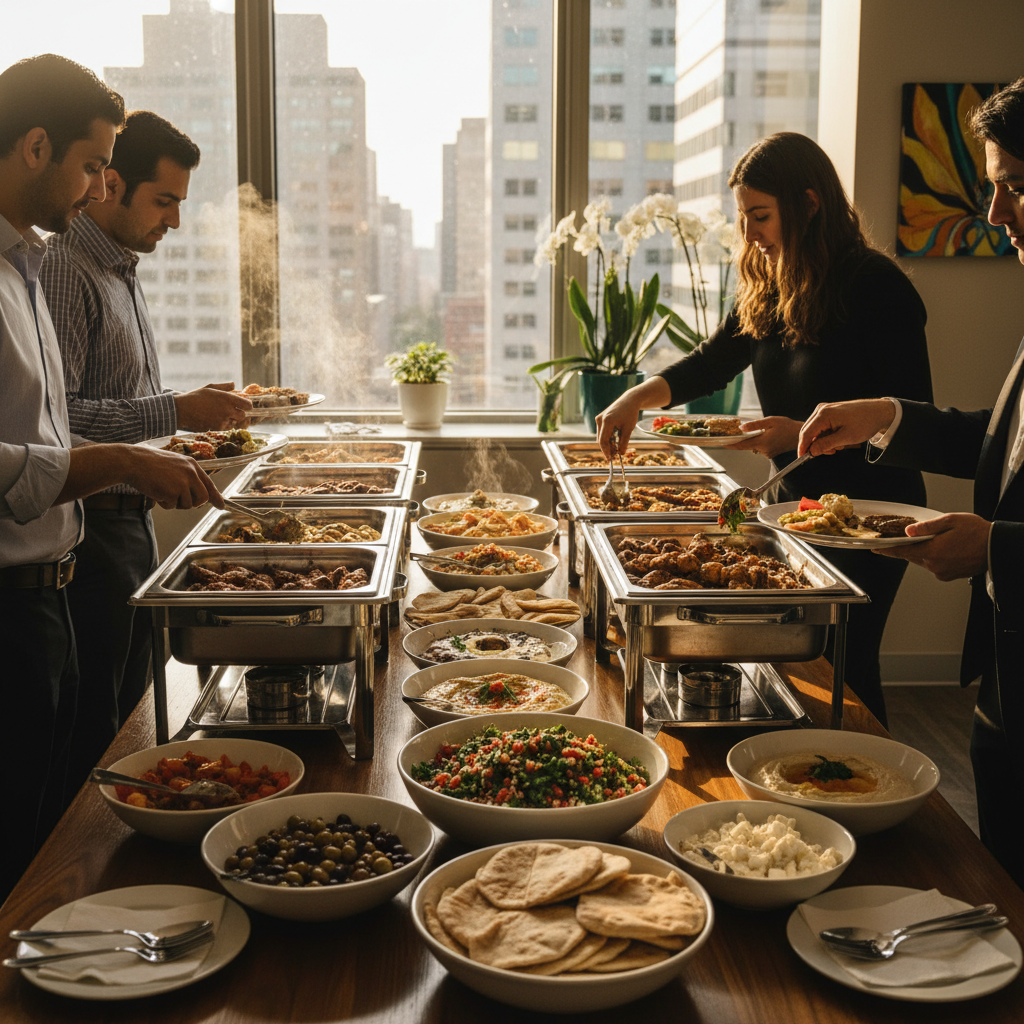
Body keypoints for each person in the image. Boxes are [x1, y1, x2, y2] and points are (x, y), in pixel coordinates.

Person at [595, 132, 934, 726]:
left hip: (868, 519)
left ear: (808, 204)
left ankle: (868, 784)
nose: (749, 234)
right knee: (798, 670)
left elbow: (911, 417)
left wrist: (795, 430)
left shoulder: (877, 287)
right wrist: (636, 398)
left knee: (848, 671)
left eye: (761, 217)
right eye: (743, 217)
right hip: (791, 504)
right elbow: (712, 359)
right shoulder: (772, 279)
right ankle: (789, 772)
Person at [0, 54, 224, 889]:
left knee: (78, 790)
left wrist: (156, 440)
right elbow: (64, 432)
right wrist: (148, 437)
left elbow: (54, 417)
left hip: (56, 579)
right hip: (33, 582)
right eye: (93, 166)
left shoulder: (29, 265)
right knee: (40, 827)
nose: (96, 188)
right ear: (34, 147)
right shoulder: (56, 265)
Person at [797, 81, 1024, 888]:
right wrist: (888, 416)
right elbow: (997, 444)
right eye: (992, 186)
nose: (996, 214)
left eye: (1016, 187)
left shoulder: (872, 282)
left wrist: (997, 546)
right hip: (1004, 674)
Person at [39, 110, 252, 789]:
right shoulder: (67, 269)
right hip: (92, 525)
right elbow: (61, 417)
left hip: (128, 519)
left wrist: (183, 419)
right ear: (109, 184)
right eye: (164, 201)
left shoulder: (120, 269)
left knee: (131, 709)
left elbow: (114, 398)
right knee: (99, 727)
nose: (175, 222)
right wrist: (175, 409)